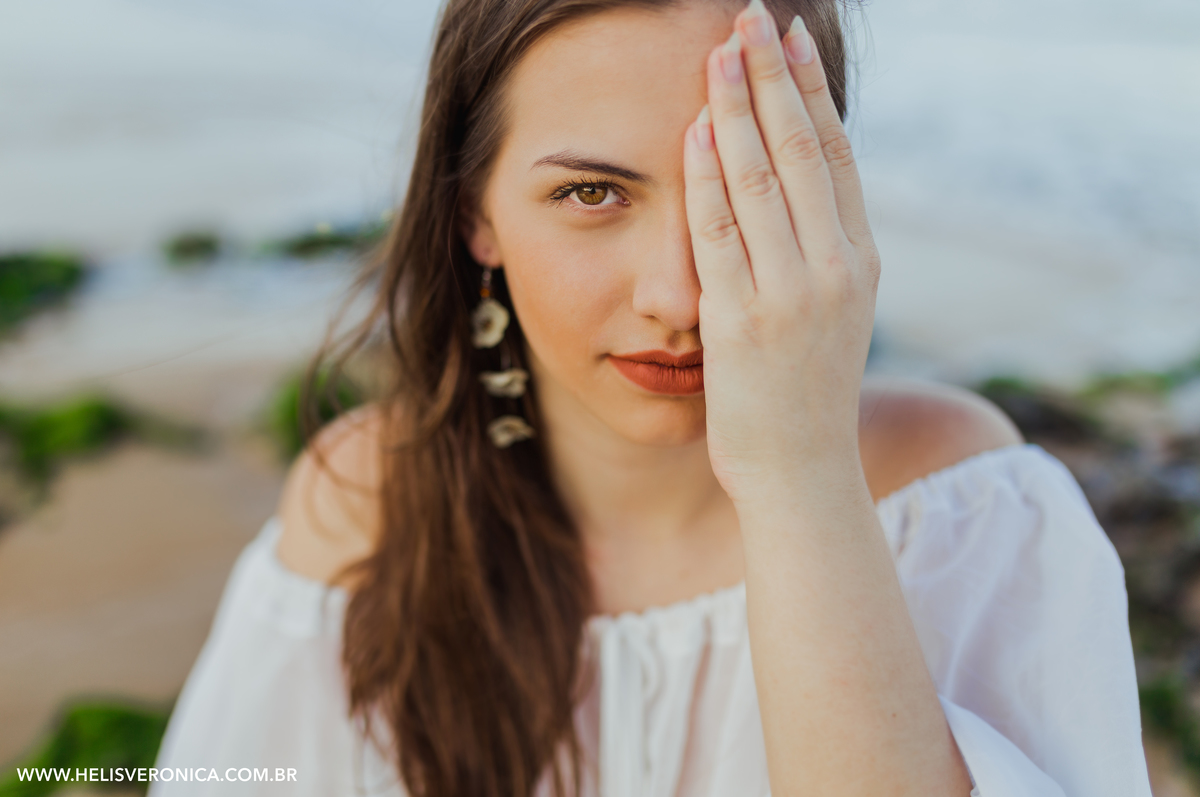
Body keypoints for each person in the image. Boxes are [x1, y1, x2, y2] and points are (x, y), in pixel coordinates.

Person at [149, 0, 1153, 794]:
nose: (679, 295)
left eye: (738, 191)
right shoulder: (371, 500)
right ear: (475, 215)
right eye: (592, 194)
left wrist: (796, 474)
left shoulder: (961, 504)